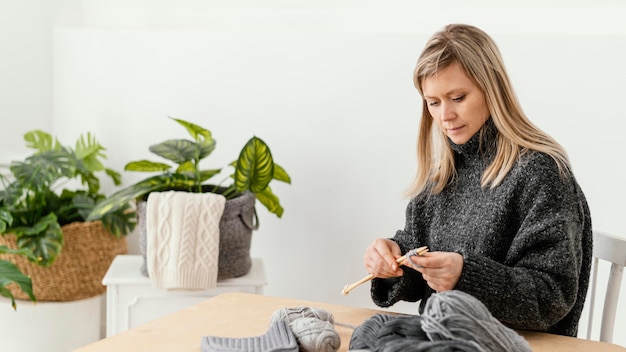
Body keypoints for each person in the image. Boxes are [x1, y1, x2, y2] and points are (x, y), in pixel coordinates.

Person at [363, 23, 592, 337]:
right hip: (446, 341)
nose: (445, 115)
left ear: (492, 89)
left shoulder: (541, 172)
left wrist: (465, 276)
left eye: (457, 97)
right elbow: (417, 261)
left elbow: (552, 296)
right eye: (433, 102)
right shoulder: (443, 174)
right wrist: (391, 261)